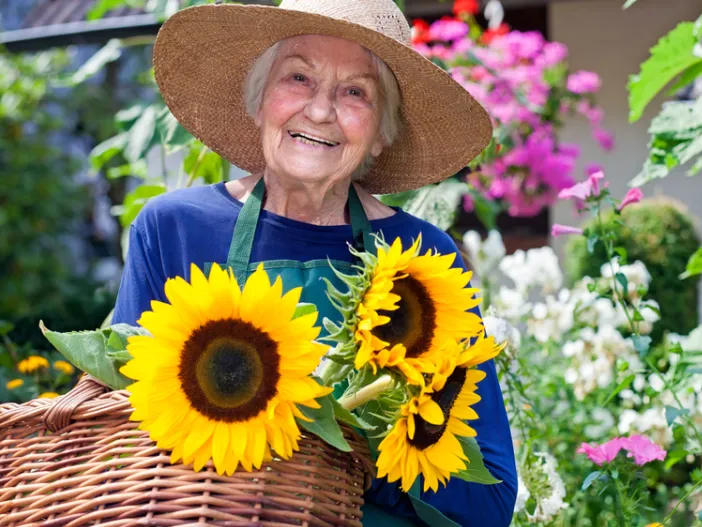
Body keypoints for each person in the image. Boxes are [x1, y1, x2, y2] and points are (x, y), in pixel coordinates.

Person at [110, 1, 517, 525]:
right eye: (298, 77)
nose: (321, 111)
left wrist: (347, 450)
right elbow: (120, 436)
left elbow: (490, 501)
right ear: (257, 101)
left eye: (355, 92)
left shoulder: (425, 261)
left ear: (382, 133)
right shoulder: (174, 230)